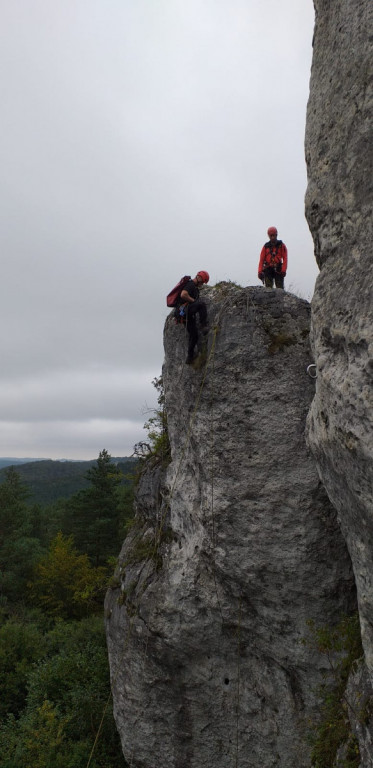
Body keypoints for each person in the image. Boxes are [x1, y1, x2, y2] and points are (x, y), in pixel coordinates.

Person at [180, 271, 210, 364]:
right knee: (201, 305)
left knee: (194, 335)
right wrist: (193, 301)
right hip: (186, 310)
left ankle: (190, 357)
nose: (202, 284)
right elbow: (183, 294)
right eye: (202, 282)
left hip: (185, 314)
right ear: (199, 278)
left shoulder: (195, 288)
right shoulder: (191, 284)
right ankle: (203, 325)